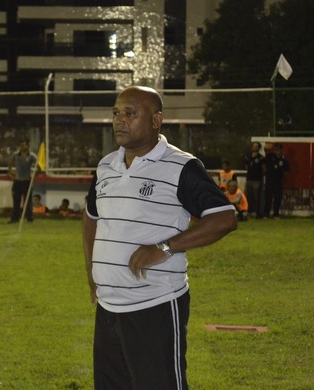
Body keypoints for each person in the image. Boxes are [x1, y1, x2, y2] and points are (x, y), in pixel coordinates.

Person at [82, 86, 237, 389]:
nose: (119, 120)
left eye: (130, 113)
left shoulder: (181, 166)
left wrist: (164, 247)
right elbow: (91, 217)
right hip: (109, 309)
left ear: (156, 120)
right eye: (116, 113)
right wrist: (92, 273)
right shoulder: (105, 166)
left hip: (155, 304)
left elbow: (224, 218)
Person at [7, 140, 37, 224]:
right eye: (21, 145)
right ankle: (15, 219)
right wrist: (10, 172)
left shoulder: (32, 156)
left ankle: (29, 219)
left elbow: (39, 166)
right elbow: (10, 163)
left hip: (27, 181)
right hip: (17, 181)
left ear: (28, 146)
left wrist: (35, 175)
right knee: (16, 201)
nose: (22, 147)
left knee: (27, 201)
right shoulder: (16, 155)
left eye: (24, 145)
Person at [263, 143, 290, 218]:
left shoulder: (284, 160)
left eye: (278, 149)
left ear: (281, 150)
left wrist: (282, 173)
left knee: (277, 198)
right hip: (269, 180)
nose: (277, 151)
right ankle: (266, 213)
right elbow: (264, 160)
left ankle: (276, 213)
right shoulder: (270, 157)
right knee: (268, 197)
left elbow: (287, 170)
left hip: (278, 181)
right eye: (276, 149)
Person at [243, 142, 265, 218]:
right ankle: (248, 211)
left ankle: (257, 212)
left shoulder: (261, 158)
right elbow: (247, 166)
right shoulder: (248, 156)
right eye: (253, 146)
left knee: (257, 197)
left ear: (259, 148)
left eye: (256, 146)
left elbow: (264, 169)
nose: (254, 147)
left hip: (257, 180)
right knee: (248, 196)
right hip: (249, 179)